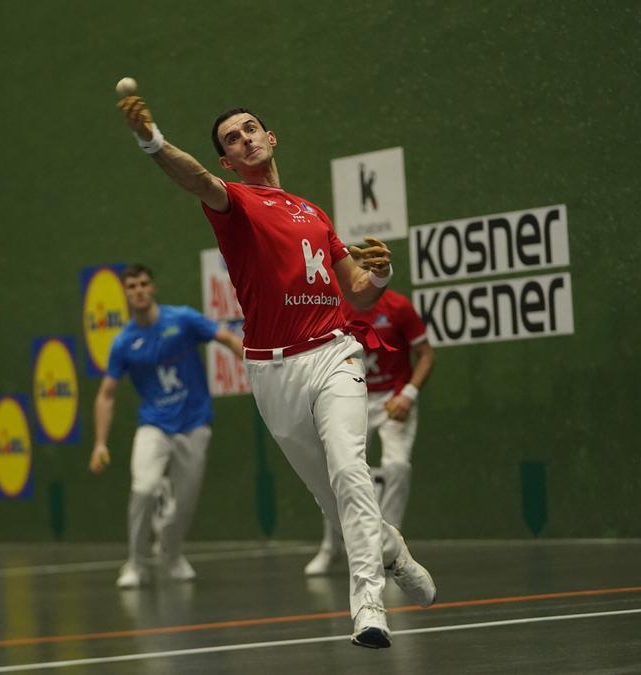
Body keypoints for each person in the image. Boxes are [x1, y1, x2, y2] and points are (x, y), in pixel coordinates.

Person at [116, 93, 436, 649]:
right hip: (272, 372)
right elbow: (195, 179)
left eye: (250, 129)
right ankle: (394, 552)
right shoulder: (234, 202)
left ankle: (368, 605)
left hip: (334, 353)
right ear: (227, 161)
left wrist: (381, 276)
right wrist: (153, 142)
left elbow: (357, 291)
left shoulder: (314, 214)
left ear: (271, 138)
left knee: (350, 471)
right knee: (333, 501)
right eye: (232, 139)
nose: (245, 139)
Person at [89, 263, 244, 588]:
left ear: (153, 287)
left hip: (194, 423)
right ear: (125, 294)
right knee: (144, 488)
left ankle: (171, 555)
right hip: (154, 425)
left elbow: (226, 337)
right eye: (132, 286)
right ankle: (135, 563)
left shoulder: (183, 319)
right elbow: (106, 395)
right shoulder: (123, 342)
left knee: (184, 504)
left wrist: (257, 363)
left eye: (144, 284)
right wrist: (100, 443)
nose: (139, 291)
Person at [304, 288, 434, 575]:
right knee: (340, 469)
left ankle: (390, 550)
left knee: (396, 466)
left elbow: (426, 355)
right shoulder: (336, 308)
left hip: (394, 399)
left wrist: (408, 395)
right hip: (353, 395)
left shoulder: (398, 307)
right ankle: (331, 546)